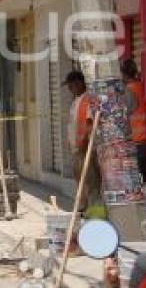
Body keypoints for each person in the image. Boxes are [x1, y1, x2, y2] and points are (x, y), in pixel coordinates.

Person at [65, 70, 101, 212]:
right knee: (81, 182)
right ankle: (84, 209)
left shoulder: (88, 100)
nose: (69, 89)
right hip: (77, 149)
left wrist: (84, 144)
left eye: (71, 86)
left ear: (78, 83)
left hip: (86, 149)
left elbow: (89, 123)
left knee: (91, 182)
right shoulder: (76, 101)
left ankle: (94, 211)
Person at [122, 59, 146, 184]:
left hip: (136, 140)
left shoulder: (129, 91)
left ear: (124, 74)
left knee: (138, 177)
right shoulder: (142, 85)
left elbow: (124, 113)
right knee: (145, 174)